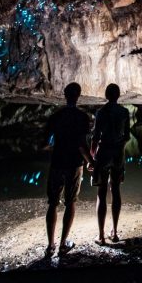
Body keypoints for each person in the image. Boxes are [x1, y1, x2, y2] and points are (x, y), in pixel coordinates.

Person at [42, 82, 93, 258]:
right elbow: (81, 143)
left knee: (53, 203)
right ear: (78, 95)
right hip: (74, 163)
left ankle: (50, 246)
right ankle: (63, 244)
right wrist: (91, 161)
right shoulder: (82, 117)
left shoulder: (56, 116)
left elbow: (45, 143)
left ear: (65, 94)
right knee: (70, 201)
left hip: (57, 162)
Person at [88, 83, 131, 244]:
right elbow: (127, 136)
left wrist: (92, 156)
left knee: (101, 192)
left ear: (106, 95)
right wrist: (119, 146)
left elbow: (95, 136)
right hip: (118, 153)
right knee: (116, 190)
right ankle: (114, 233)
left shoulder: (101, 112)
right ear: (118, 95)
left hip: (104, 152)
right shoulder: (124, 112)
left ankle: (100, 235)